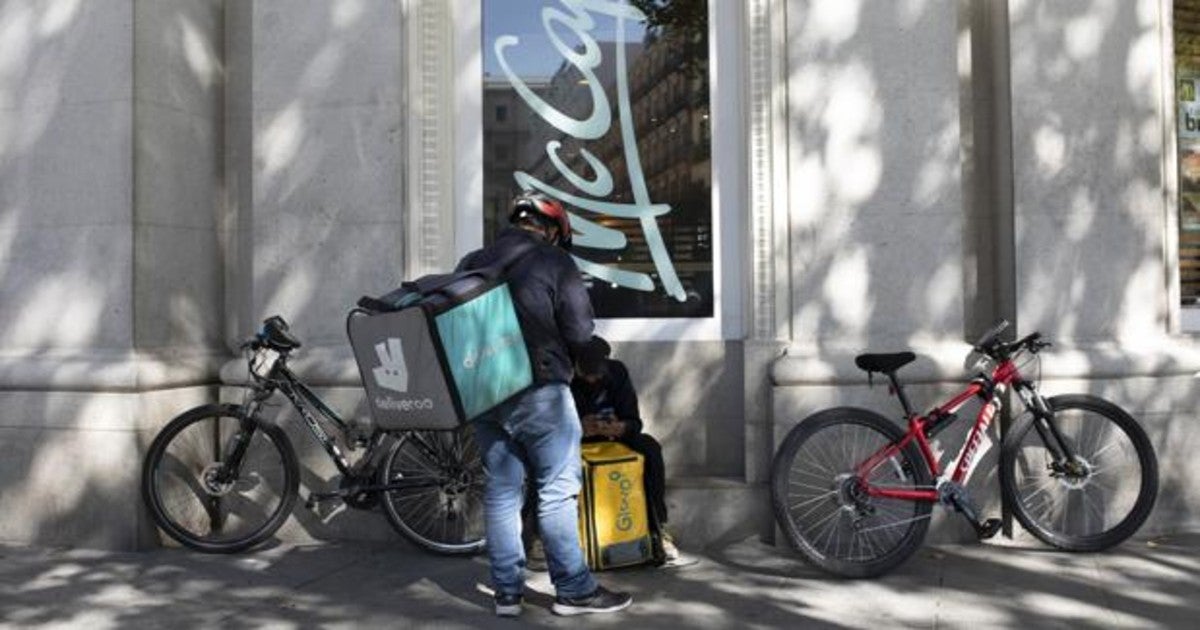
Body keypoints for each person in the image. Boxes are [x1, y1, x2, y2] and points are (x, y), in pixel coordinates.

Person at [457, 192, 632, 618]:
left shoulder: (471, 263)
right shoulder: (554, 261)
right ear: (552, 229)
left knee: (501, 493)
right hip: (539, 392)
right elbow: (578, 331)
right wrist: (592, 355)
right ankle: (573, 590)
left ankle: (507, 595)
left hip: (485, 391)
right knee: (556, 491)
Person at [570, 336, 679, 563]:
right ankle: (540, 537)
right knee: (543, 456)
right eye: (586, 374)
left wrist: (622, 427)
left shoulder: (616, 372)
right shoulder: (565, 377)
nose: (592, 379)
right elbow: (552, 424)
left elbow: (634, 421)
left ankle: (659, 529)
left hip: (614, 438)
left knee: (650, 448)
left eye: (597, 374)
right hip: (576, 440)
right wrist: (579, 427)